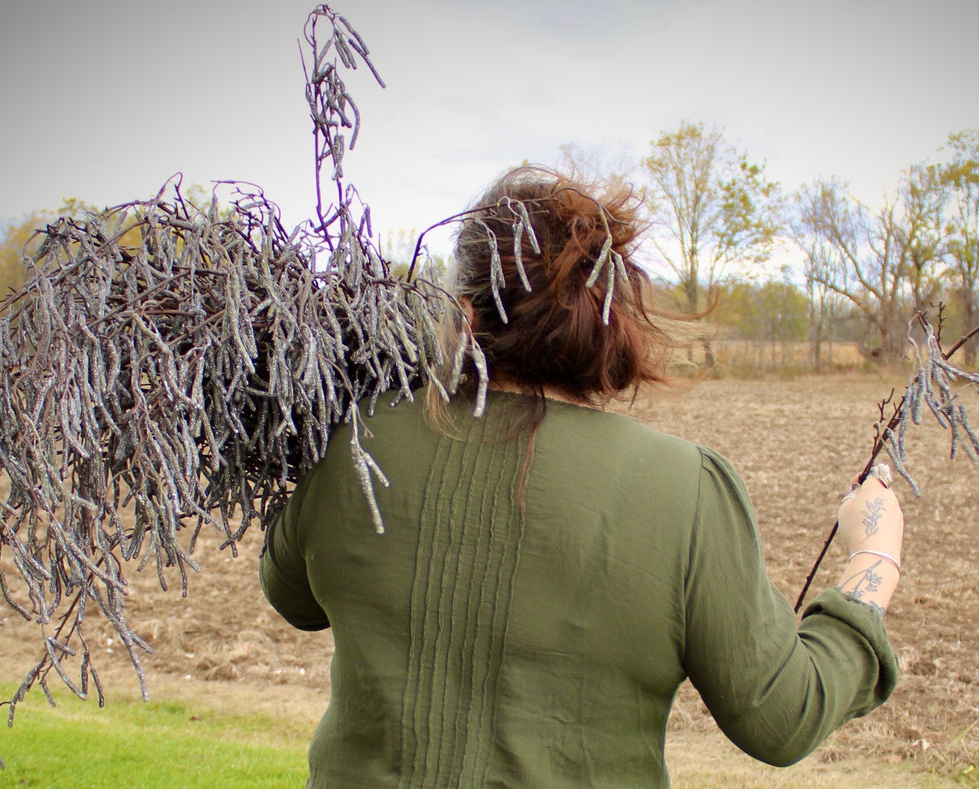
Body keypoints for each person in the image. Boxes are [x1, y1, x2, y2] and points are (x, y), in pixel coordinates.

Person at [260, 166, 904, 788]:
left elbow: (292, 594)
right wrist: (875, 556)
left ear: (466, 314)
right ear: (612, 324)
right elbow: (782, 715)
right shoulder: (686, 491)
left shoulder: (351, 443)